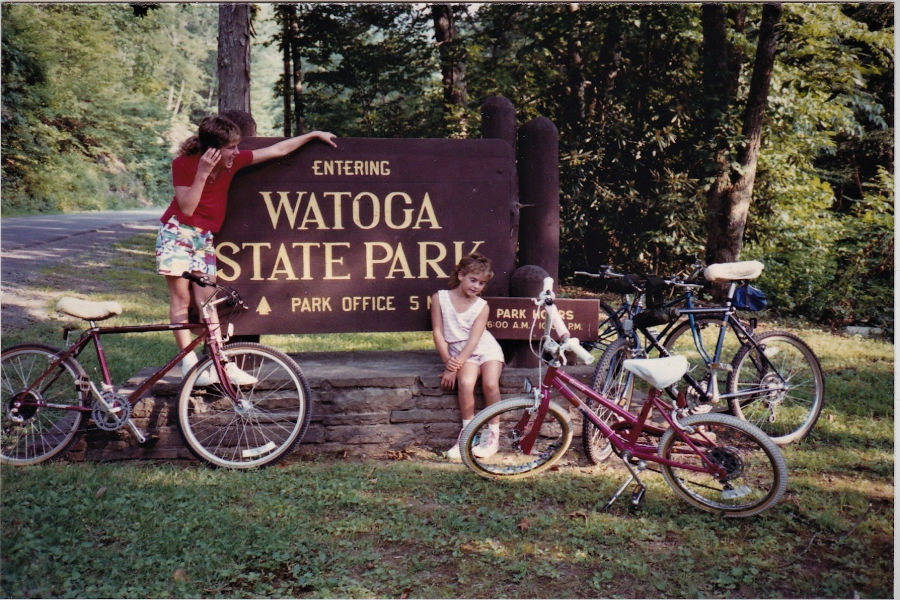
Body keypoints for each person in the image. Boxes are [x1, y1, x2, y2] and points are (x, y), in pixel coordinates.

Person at [156, 114, 337, 384]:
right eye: (231, 147)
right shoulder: (184, 164)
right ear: (212, 150)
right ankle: (189, 364)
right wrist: (203, 174)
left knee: (207, 302)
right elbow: (187, 208)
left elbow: (277, 150)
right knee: (181, 300)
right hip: (177, 233)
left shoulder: (234, 163)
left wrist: (312, 135)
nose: (237, 152)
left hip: (203, 237)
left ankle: (221, 364)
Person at [431, 253, 505, 460]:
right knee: (465, 383)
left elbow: (474, 339)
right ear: (461, 275)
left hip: (486, 349)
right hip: (459, 353)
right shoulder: (440, 298)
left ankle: (492, 435)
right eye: (473, 280)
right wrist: (449, 364)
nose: (476, 287)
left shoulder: (482, 306)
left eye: (481, 284)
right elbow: (437, 332)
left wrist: (453, 366)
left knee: (490, 384)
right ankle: (468, 433)